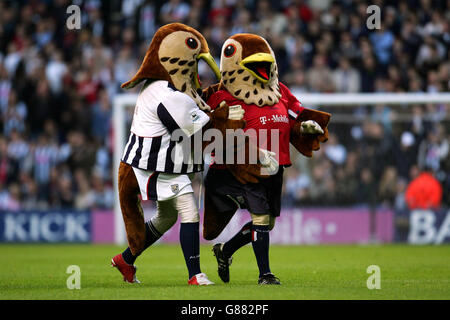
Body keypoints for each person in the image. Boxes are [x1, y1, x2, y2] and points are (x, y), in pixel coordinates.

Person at [110, 23, 244, 285]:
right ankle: (195, 275)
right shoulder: (168, 94)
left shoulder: (159, 86)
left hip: (152, 161)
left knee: (167, 216)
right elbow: (195, 129)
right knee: (189, 210)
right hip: (156, 164)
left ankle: (125, 260)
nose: (193, 71)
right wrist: (224, 117)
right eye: (191, 64)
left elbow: (194, 113)